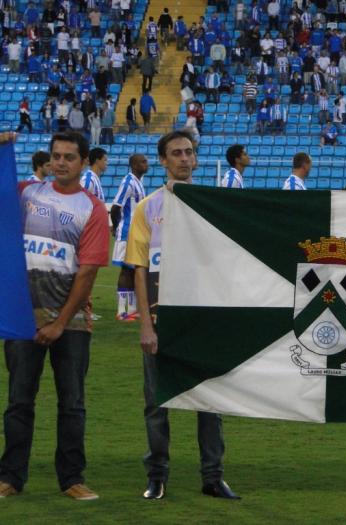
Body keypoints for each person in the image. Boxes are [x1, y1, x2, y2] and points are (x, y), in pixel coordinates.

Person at [124, 130, 240, 501]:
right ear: (163, 160)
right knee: (157, 402)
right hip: (160, 323)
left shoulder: (213, 204)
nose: (184, 158)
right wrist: (145, 323)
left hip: (203, 323)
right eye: (176, 153)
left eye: (189, 152)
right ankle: (157, 475)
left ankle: (213, 476)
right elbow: (139, 269)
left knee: (210, 402)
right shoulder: (147, 208)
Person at [0, 131, 109, 500]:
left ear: (82, 163)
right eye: (56, 156)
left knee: (72, 402)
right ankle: (10, 478)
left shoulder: (92, 208)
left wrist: (60, 322)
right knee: (18, 401)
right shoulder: (25, 193)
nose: (60, 162)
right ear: (48, 159)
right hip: (22, 318)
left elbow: (88, 271)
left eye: (69, 157)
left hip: (72, 322)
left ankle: (72, 478)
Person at [111, 154, 148, 321]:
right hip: (127, 233)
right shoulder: (128, 182)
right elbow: (115, 207)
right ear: (134, 165)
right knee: (126, 271)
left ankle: (132, 309)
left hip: (135, 234)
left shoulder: (138, 182)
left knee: (133, 271)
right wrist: (118, 227)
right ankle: (121, 311)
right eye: (143, 161)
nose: (146, 164)